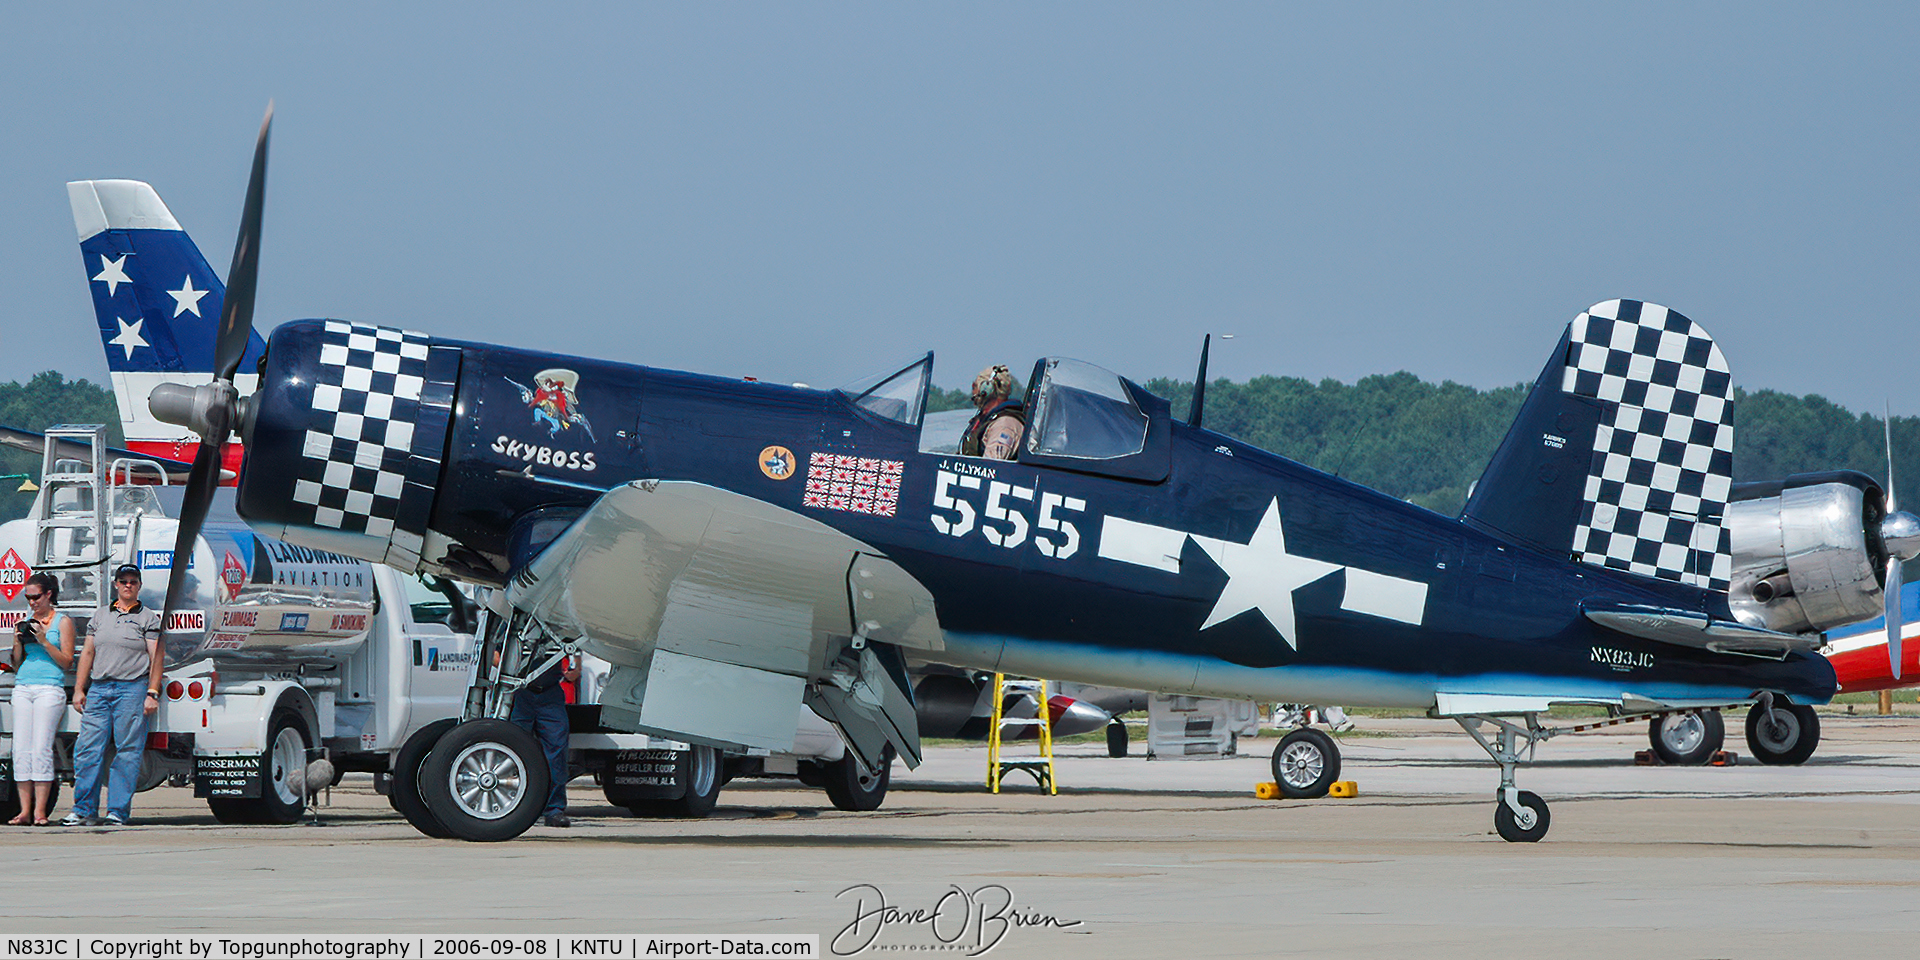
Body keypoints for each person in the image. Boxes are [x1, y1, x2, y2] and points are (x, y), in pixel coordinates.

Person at [62, 564, 163, 827]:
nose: (128, 585)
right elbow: (87, 653)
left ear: (139, 586)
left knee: (127, 751)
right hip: (100, 688)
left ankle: (117, 811)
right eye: (123, 581)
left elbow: (156, 657)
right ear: (116, 585)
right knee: (87, 749)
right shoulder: (100, 616)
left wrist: (152, 692)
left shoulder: (148, 618)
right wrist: (79, 689)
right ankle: (83, 809)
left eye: (133, 581)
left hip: (132, 688)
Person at [9, 573, 76, 826]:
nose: (32, 602)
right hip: (24, 685)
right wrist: (18, 642)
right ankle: (24, 811)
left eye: (36, 597)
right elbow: (17, 664)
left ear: (49, 594)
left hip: (50, 686)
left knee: (41, 747)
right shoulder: (27, 620)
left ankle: (40, 811)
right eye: (28, 598)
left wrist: (44, 640)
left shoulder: (62, 621)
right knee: (21, 749)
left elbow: (67, 662)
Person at [511, 654, 579, 827]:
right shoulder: (517, 629)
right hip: (520, 691)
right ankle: (515, 806)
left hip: (550, 692)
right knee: (514, 750)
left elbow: (575, 657)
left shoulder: (558, 630)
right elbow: (497, 654)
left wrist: (574, 666)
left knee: (556, 753)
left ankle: (554, 810)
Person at [961, 365, 1025, 460]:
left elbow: (991, 465)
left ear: (987, 389)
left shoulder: (1004, 424)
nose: (973, 391)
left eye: (975, 386)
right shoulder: (985, 420)